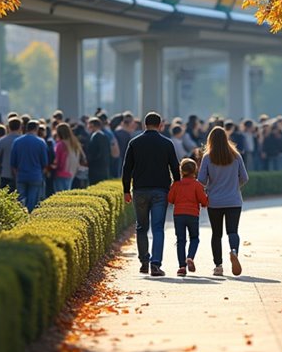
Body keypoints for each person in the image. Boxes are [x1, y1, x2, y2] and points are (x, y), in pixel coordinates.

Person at [122, 111, 180, 277]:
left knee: (141, 227)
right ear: (161, 125)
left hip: (140, 190)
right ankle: (156, 264)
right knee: (158, 228)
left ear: (144, 124)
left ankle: (144, 261)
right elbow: (175, 167)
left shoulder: (134, 142)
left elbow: (127, 169)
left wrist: (126, 190)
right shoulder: (167, 143)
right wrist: (176, 186)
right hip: (160, 190)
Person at [198, 126, 249, 276]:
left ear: (210, 140)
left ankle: (218, 266)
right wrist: (234, 186)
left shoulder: (208, 157)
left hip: (215, 201)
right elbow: (245, 177)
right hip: (234, 200)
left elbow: (201, 180)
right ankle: (234, 251)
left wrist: (210, 186)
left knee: (216, 234)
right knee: (232, 231)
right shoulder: (236, 156)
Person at [168, 158, 209, 277]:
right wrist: (206, 199)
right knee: (194, 238)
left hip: (178, 215)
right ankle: (190, 257)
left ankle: (182, 267)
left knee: (180, 240)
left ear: (181, 170)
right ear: (195, 170)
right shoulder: (197, 185)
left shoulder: (176, 184)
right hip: (192, 215)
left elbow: (170, 199)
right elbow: (204, 201)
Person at [11, 120, 49, 212]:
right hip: (35, 175)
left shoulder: (17, 141)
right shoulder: (41, 142)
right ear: (36, 129)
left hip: (21, 175)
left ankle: (20, 216)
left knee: (20, 200)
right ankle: (30, 216)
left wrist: (16, 174)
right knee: (33, 200)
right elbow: (44, 162)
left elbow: (13, 162)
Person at [52, 123, 81, 192]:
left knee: (59, 194)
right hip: (71, 173)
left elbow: (58, 160)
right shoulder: (74, 144)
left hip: (60, 173)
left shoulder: (60, 145)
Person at [0, 117, 23, 191]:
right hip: (20, 173)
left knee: (4, 194)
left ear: (8, 127)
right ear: (20, 127)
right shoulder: (22, 141)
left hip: (5, 172)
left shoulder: (3, 140)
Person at [86, 118, 112, 185]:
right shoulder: (105, 136)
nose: (87, 127)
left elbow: (93, 153)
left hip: (95, 168)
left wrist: (88, 161)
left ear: (92, 125)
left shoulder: (95, 136)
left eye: (88, 125)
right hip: (104, 168)